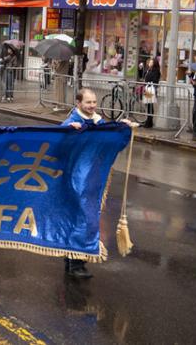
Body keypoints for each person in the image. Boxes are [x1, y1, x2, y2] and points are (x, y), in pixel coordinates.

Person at [62, 88, 137, 278]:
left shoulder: (98, 122)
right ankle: (74, 263)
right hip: (75, 179)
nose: (92, 105)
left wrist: (122, 127)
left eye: (94, 102)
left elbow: (109, 138)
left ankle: (75, 261)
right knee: (79, 218)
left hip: (93, 179)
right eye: (88, 102)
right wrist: (68, 133)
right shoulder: (71, 123)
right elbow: (59, 145)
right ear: (78, 103)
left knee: (89, 218)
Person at [141, 58, 160, 128]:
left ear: (154, 63)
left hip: (151, 89)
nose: (149, 63)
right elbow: (144, 76)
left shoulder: (156, 71)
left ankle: (149, 121)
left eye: (151, 62)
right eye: (149, 62)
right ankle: (149, 121)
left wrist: (148, 77)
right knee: (148, 105)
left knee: (150, 105)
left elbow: (154, 80)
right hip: (147, 88)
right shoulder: (149, 69)